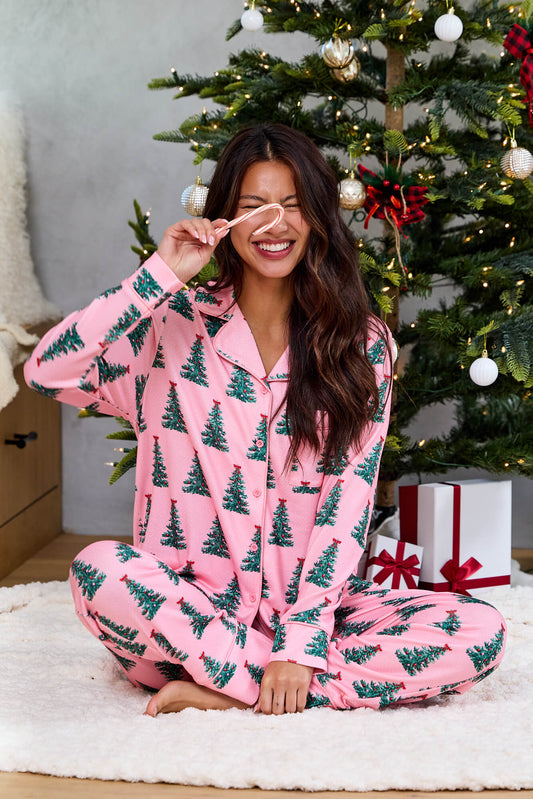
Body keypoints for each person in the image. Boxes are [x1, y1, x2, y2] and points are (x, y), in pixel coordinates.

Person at [24, 123, 506, 717]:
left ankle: (238, 690)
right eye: (255, 206)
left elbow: (347, 504)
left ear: (318, 218)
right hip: (185, 631)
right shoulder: (170, 327)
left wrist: (300, 643)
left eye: (293, 205)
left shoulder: (358, 344)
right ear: (226, 218)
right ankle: (273, 685)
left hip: (312, 622)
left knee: (479, 631)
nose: (275, 224)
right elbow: (49, 370)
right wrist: (160, 275)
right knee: (100, 572)